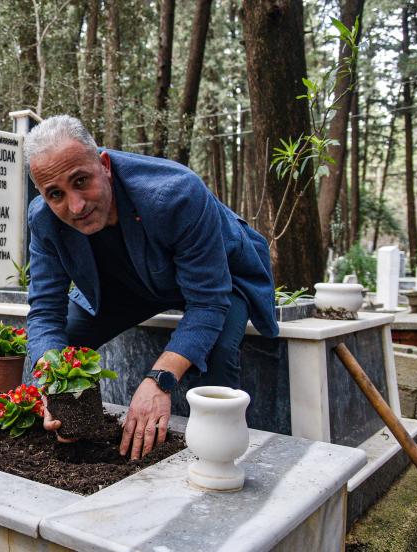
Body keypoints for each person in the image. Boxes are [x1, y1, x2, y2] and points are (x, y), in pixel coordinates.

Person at [24, 115, 279, 460]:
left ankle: (216, 457)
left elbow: (207, 302)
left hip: (220, 276)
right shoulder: (43, 219)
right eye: (55, 194)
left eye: (81, 181)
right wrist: (52, 382)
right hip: (128, 284)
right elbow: (45, 313)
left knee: (216, 351)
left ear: (104, 166)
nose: (76, 206)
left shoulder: (175, 193)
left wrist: (159, 379)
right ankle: (76, 430)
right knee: (60, 348)